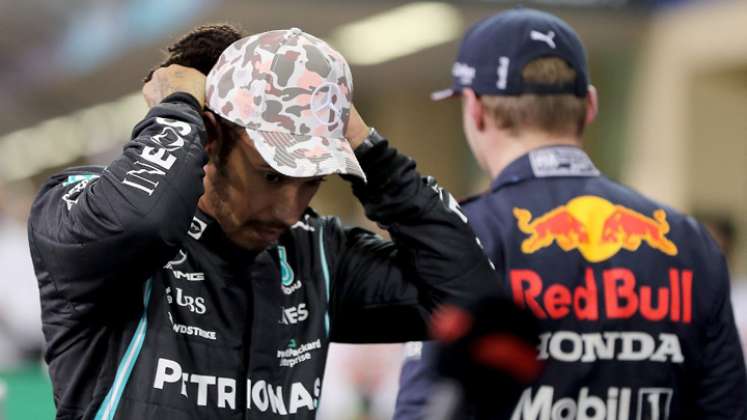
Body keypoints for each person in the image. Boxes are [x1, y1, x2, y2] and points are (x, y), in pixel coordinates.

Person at [27, 24, 496, 419]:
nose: (290, 209)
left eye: (312, 181)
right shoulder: (79, 208)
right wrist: (179, 110)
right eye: (272, 175)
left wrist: (366, 145)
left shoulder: (318, 253)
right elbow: (137, 223)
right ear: (210, 138)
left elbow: (473, 303)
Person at [395, 8, 747, 420]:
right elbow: (727, 409)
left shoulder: (458, 239)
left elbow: (425, 409)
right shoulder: (687, 240)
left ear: (475, 109)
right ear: (590, 105)